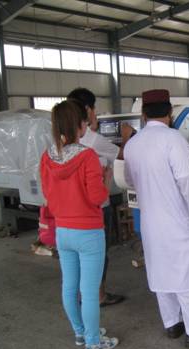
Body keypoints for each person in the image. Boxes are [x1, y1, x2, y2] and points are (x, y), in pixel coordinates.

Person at [123, 89, 189, 349]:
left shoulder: (133, 144)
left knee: (161, 274)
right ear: (169, 113)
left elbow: (130, 180)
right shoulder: (173, 139)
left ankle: (172, 324)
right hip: (178, 223)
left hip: (151, 223)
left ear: (144, 114)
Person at [40, 99, 119, 349]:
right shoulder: (87, 156)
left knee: (69, 286)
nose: (87, 124)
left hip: (63, 231)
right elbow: (97, 198)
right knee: (89, 291)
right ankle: (94, 342)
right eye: (85, 121)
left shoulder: (47, 157)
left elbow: (47, 194)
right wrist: (106, 179)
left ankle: (81, 332)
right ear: (79, 125)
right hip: (88, 232)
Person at [67, 87, 128, 307]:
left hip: (71, 208)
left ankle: (79, 294)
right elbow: (122, 154)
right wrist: (127, 136)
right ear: (87, 110)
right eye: (94, 109)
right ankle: (98, 295)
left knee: (78, 255)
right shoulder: (92, 139)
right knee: (99, 252)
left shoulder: (63, 138)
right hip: (96, 207)